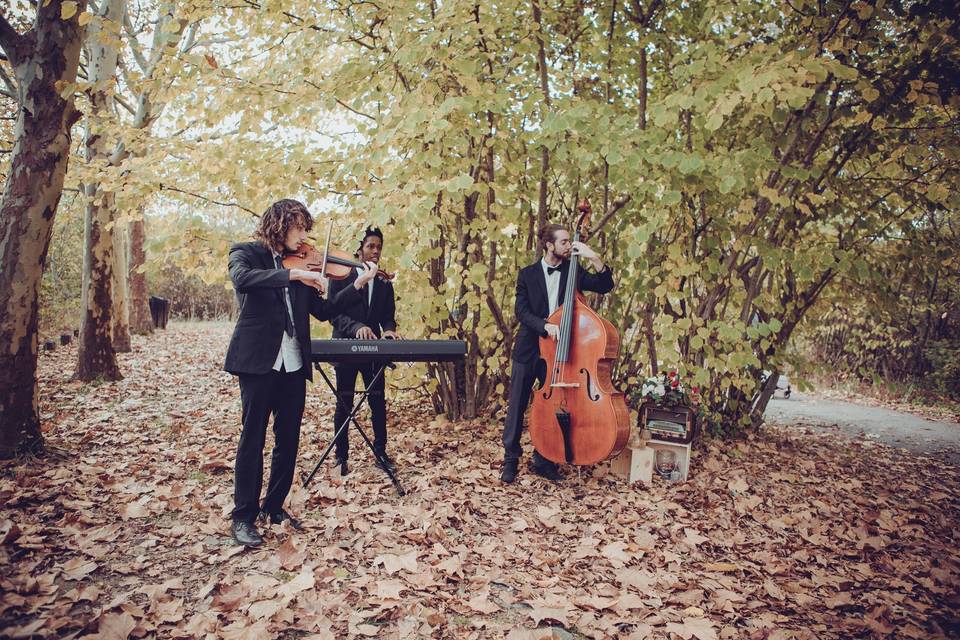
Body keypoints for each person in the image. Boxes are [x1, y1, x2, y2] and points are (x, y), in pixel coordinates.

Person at [224, 199, 378, 547]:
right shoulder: (247, 253)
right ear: (279, 225)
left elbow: (323, 311)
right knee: (253, 438)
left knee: (288, 438)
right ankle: (243, 516)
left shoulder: (304, 261)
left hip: (293, 361)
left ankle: (274, 506)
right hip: (258, 360)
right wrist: (294, 274)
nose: (304, 236)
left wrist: (356, 284)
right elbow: (242, 279)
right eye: (299, 228)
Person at [500, 223, 615, 484]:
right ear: (549, 245)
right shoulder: (527, 274)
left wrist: (593, 256)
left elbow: (605, 285)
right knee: (517, 405)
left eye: (569, 242)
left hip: (559, 354)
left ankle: (544, 459)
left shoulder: (572, 271)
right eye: (563, 242)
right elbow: (522, 311)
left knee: (555, 403)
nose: (568, 246)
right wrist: (545, 326)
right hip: (530, 348)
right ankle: (510, 460)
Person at [328, 226, 400, 477]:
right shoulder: (341, 277)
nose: (375, 251)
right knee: (344, 404)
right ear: (359, 250)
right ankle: (341, 457)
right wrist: (357, 327)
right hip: (345, 348)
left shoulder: (383, 282)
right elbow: (333, 313)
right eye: (370, 246)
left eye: (379, 247)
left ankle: (381, 454)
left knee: (377, 402)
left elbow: (388, 317)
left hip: (373, 351)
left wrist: (389, 331)